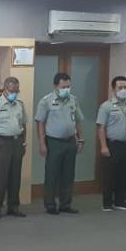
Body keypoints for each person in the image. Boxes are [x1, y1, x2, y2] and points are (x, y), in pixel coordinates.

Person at [35, 72, 85, 215]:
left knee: (68, 175)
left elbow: (78, 121)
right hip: (53, 142)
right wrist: (42, 143)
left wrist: (81, 139)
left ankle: (65, 204)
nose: (66, 89)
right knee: (52, 175)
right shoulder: (46, 101)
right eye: (63, 87)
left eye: (68, 87)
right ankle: (50, 205)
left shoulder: (73, 100)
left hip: (70, 141)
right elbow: (40, 123)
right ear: (55, 86)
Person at [0, 76, 28, 219]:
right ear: (5, 89)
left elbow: (24, 124)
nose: (14, 93)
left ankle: (13, 207)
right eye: (12, 91)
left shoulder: (20, 104)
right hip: (1, 143)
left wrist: (23, 142)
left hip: (17, 142)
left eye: (16, 91)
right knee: (0, 177)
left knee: (15, 176)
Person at [96, 76, 126, 212]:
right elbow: (101, 127)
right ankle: (107, 203)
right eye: (120, 87)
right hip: (113, 144)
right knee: (110, 175)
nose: (123, 90)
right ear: (113, 89)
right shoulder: (106, 106)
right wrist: (103, 146)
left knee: (124, 174)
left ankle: (120, 201)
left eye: (125, 87)